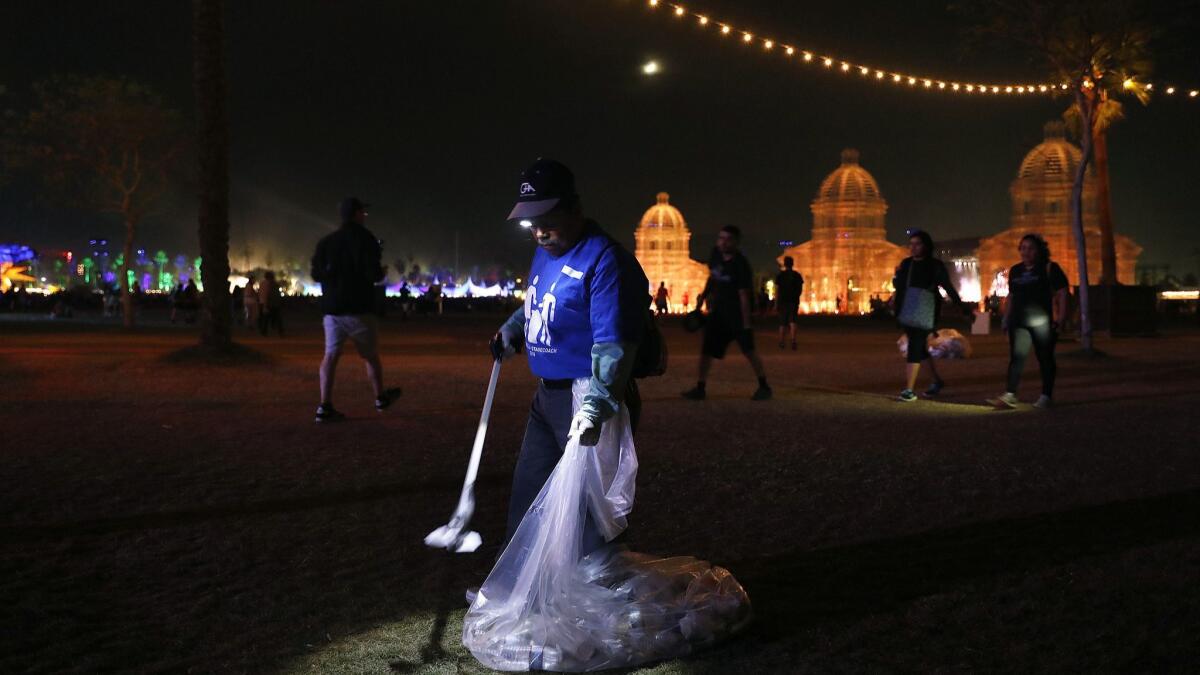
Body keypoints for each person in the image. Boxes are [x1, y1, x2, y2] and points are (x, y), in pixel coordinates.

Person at [487, 158, 648, 557]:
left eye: (548, 218)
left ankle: (603, 596)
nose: (540, 231)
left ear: (575, 208)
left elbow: (615, 344)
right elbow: (539, 301)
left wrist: (596, 407)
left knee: (593, 508)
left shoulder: (604, 259)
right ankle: (514, 587)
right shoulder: (547, 250)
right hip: (548, 397)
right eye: (531, 223)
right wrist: (513, 327)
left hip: (586, 396)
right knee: (529, 488)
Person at [310, 197, 399, 422]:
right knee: (370, 357)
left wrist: (333, 278)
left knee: (330, 356)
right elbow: (374, 274)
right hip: (359, 308)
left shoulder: (326, 243)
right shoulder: (367, 240)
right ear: (357, 214)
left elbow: (316, 274)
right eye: (363, 212)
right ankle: (380, 397)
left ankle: (324, 405)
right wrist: (381, 271)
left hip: (333, 309)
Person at [682, 225, 771, 401]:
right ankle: (700, 387)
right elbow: (712, 278)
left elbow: (743, 294)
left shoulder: (740, 265)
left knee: (749, 351)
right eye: (721, 238)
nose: (723, 242)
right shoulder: (715, 254)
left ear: (736, 242)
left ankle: (764, 386)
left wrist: (746, 322)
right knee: (706, 351)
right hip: (718, 313)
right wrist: (700, 303)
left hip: (736, 314)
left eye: (727, 239)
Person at [989, 234, 1069, 409]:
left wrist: (1061, 318)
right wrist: (1006, 318)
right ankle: (1010, 394)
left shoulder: (1049, 268)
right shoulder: (1015, 270)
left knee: (1045, 358)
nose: (1026, 252)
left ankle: (1046, 396)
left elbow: (1063, 293)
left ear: (1039, 250)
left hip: (1042, 322)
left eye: (1031, 248)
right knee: (1016, 358)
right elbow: (1011, 295)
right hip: (1018, 322)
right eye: (1023, 248)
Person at [891, 229, 972, 402]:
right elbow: (900, 287)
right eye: (911, 244)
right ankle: (936, 381)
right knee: (919, 348)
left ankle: (909, 390)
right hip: (909, 306)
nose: (913, 247)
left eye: (918, 244)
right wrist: (896, 307)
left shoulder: (935, 265)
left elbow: (948, 288)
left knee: (914, 345)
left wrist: (962, 307)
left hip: (925, 307)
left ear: (926, 246)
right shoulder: (906, 264)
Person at [774, 256, 804, 350]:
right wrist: (796, 296)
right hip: (793, 301)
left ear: (784, 264)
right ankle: (793, 340)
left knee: (782, 322)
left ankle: (782, 341)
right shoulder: (797, 275)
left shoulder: (780, 275)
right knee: (793, 321)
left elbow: (777, 291)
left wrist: (776, 303)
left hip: (783, 301)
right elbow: (800, 289)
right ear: (793, 264)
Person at [256, 271, 283, 336]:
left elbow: (262, 294)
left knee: (266, 318)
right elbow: (267, 294)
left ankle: (264, 331)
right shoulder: (271, 284)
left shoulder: (262, 283)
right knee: (276, 318)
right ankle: (280, 331)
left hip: (266, 302)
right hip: (271, 303)